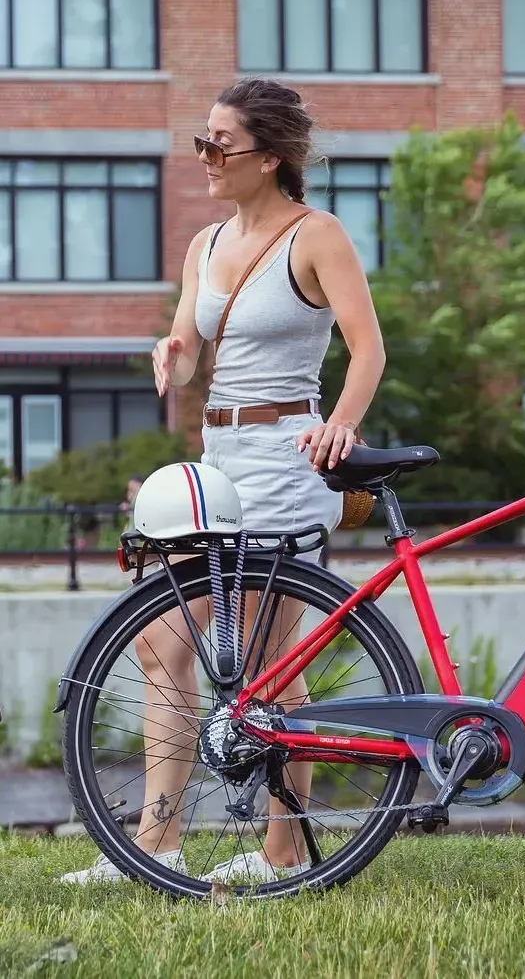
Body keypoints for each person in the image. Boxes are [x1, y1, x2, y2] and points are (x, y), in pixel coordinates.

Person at [61, 77, 386, 884]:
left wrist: (340, 420)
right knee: (160, 641)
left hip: (287, 455)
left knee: (271, 666)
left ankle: (281, 850)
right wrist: (172, 354)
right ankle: (156, 843)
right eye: (200, 141)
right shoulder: (203, 245)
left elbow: (368, 348)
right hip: (215, 462)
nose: (204, 157)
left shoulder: (317, 235)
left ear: (269, 156)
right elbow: (190, 340)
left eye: (219, 144)